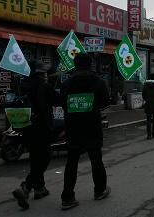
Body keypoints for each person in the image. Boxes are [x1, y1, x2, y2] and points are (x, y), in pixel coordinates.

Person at [60, 53, 110, 210]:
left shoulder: (67, 83)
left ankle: (67, 197)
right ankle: (100, 190)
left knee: (71, 162)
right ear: (90, 64)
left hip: (73, 126)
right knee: (96, 159)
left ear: (75, 64)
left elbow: (62, 102)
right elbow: (104, 102)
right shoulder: (98, 82)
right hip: (92, 125)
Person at [12, 61, 57, 210]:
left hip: (25, 128)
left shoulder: (22, 86)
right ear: (39, 74)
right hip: (42, 128)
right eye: (43, 72)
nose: (45, 75)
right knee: (44, 158)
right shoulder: (44, 86)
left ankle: (40, 189)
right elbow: (58, 100)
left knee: (35, 158)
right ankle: (26, 186)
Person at [142, 74, 154, 139]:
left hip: (148, 104)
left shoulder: (145, 85)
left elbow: (143, 95)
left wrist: (147, 99)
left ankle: (149, 135)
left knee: (148, 120)